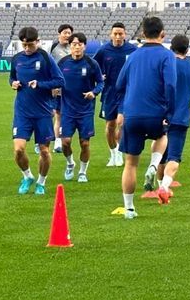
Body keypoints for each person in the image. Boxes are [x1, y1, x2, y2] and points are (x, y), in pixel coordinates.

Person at [113, 16, 176, 220]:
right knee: (162, 137)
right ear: (163, 34)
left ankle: (129, 208)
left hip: (132, 114)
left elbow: (119, 85)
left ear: (142, 34)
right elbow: (171, 85)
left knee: (130, 163)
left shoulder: (132, 56)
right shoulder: (167, 56)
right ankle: (154, 164)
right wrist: (169, 111)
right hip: (156, 112)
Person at [10, 26, 65, 196]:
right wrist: (13, 83)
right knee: (18, 149)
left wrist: (40, 84)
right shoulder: (17, 59)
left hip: (42, 112)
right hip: (22, 112)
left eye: (30, 45)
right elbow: (12, 77)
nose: (27, 48)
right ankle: (27, 176)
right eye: (24, 45)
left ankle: (41, 182)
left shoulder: (45, 58)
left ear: (37, 41)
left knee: (44, 151)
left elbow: (60, 81)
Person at [157, 34, 190, 203]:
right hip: (181, 118)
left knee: (161, 155)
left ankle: (157, 182)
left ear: (171, 48)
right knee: (174, 157)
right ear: (187, 50)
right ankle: (164, 187)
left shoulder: (164, 65)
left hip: (161, 117)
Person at [56, 32, 104, 183]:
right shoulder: (62, 63)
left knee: (85, 143)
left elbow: (101, 82)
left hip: (85, 110)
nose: (77, 47)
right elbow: (55, 80)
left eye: (79, 44)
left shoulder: (91, 64)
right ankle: (70, 163)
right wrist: (55, 89)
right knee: (65, 142)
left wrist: (93, 92)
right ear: (70, 46)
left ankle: (83, 172)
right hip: (68, 110)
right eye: (74, 44)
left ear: (84, 46)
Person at [93, 22, 136, 168]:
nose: (118, 37)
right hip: (109, 92)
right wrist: (99, 76)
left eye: (120, 34)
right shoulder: (104, 50)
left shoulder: (132, 50)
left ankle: (119, 151)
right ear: (111, 34)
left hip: (127, 92)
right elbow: (93, 66)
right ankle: (113, 153)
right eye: (115, 34)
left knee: (121, 122)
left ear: (125, 34)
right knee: (110, 125)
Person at [49, 24, 74, 153]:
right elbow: (47, 66)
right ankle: (57, 142)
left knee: (68, 115)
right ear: (59, 34)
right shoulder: (53, 48)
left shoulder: (73, 47)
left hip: (72, 88)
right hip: (58, 87)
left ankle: (65, 140)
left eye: (69, 33)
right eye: (65, 32)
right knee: (58, 114)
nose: (67, 35)